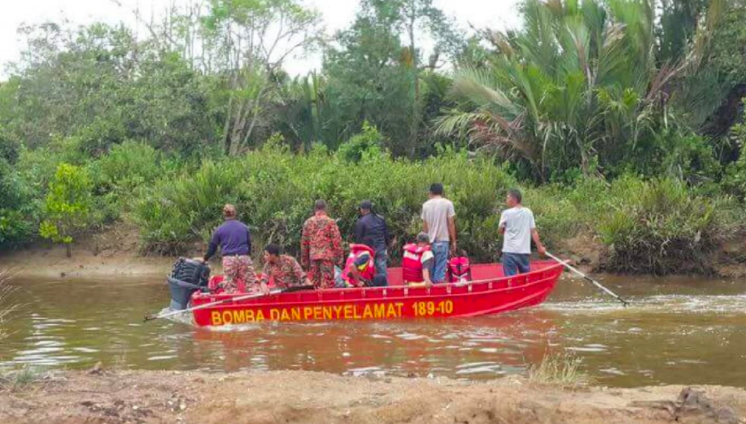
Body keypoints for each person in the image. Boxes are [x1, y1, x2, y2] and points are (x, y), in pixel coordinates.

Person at [200, 204, 256, 293]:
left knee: (230, 287)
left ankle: (234, 304)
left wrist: (205, 258)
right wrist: (247, 257)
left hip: (229, 260)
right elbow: (249, 244)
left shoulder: (219, 230)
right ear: (235, 213)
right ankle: (255, 303)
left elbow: (212, 247)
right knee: (251, 285)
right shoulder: (244, 227)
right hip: (244, 257)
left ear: (224, 214)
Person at [499, 189, 546, 276]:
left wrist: (502, 227)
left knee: (510, 280)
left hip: (509, 252)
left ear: (514, 199)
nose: (506, 200)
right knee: (525, 279)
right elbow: (533, 231)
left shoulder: (506, 213)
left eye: (507, 197)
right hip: (523, 252)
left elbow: (501, 231)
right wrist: (540, 247)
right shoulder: (528, 212)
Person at [301, 200, 344, 289]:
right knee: (327, 285)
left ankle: (316, 302)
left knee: (315, 284)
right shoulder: (330, 222)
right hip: (327, 257)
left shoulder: (308, 222)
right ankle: (327, 302)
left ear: (315, 209)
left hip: (313, 256)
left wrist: (304, 261)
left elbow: (304, 243)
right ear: (325, 208)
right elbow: (336, 241)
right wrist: (339, 258)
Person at [421, 183, 456, 284]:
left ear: (431, 192)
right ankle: (439, 294)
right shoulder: (448, 204)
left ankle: (430, 296)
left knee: (430, 271)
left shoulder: (425, 205)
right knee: (440, 272)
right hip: (443, 241)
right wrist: (453, 241)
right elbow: (451, 224)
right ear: (442, 192)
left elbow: (425, 227)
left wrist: (425, 243)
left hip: (430, 243)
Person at [353, 200, 390, 285]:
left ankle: (371, 293)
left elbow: (358, 239)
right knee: (382, 271)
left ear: (362, 209)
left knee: (367, 273)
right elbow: (386, 234)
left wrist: (358, 252)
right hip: (381, 248)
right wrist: (386, 246)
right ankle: (386, 291)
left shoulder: (361, 222)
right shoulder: (380, 218)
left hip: (368, 251)